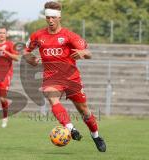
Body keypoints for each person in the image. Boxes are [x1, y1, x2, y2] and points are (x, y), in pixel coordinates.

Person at [24, 1, 106, 152]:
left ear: (59, 17)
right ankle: (70, 128)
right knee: (51, 96)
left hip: (71, 78)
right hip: (51, 77)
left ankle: (96, 136)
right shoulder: (37, 35)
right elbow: (26, 52)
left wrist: (82, 53)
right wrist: (32, 59)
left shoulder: (69, 35)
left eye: (53, 18)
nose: (50, 20)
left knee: (84, 111)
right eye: (47, 17)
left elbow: (89, 53)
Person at [0, 27, 19, 128]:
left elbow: (16, 58)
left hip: (6, 74)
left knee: (2, 99)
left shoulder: (10, 45)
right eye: (0, 33)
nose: (2, 35)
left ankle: (5, 118)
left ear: (6, 35)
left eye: (3, 33)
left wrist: (5, 52)